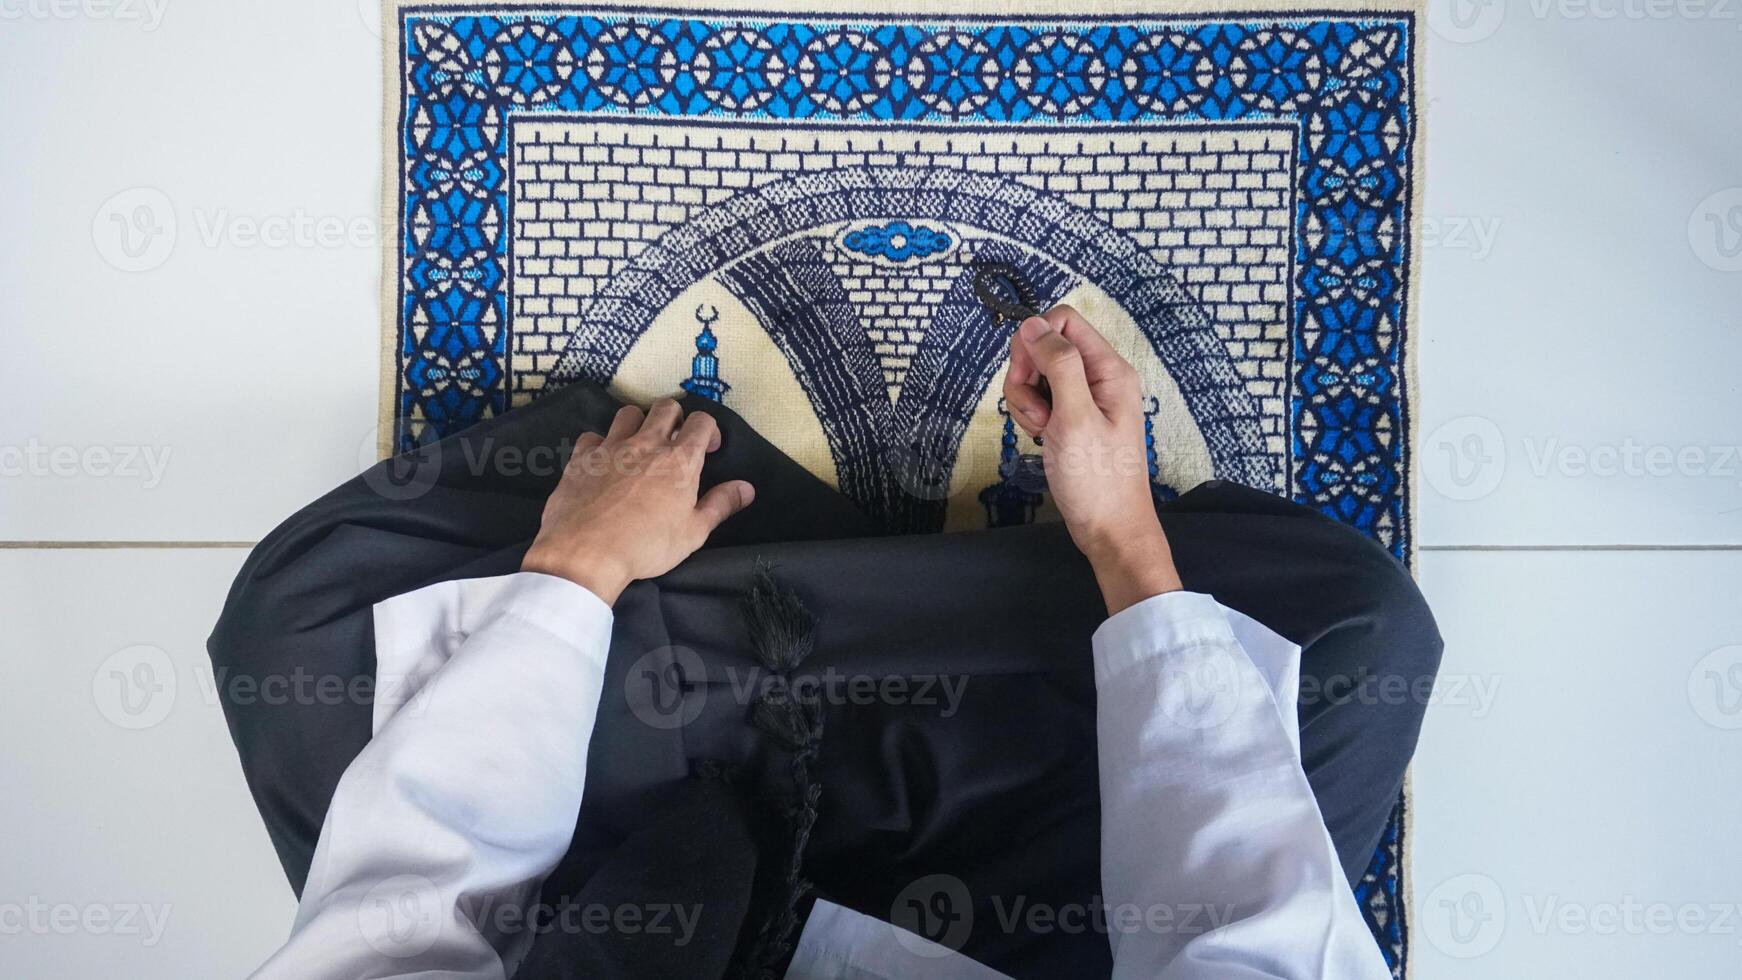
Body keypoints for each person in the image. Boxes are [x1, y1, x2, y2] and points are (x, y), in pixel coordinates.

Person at [244, 308, 1416, 979]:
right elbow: (1248, 935)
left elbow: (395, 927)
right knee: (1352, 635)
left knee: (307, 632)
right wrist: (1122, 542)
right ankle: (872, 606)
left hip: (642, 887)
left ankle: (730, 580)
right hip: (1026, 919)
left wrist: (578, 569)